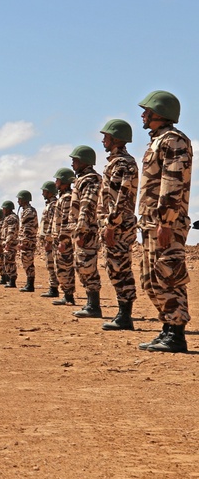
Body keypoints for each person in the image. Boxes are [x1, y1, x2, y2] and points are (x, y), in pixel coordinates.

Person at [136, 90, 192, 352]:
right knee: (151, 280)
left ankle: (176, 334)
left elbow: (173, 183)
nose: (143, 115)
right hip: (151, 223)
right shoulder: (157, 141)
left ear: (160, 113)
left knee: (169, 277)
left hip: (166, 224)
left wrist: (166, 222)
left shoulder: (174, 141)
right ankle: (167, 328)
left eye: (147, 111)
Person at [96, 119, 139, 331]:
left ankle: (125, 316)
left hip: (119, 225)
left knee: (120, 269)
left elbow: (121, 198)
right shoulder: (115, 163)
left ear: (116, 139)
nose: (103, 139)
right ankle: (123, 313)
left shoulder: (123, 164)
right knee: (115, 268)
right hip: (115, 224)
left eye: (106, 136)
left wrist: (111, 226)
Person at [67, 145, 103, 318]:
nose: (72, 163)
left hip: (87, 230)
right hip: (82, 230)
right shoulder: (82, 179)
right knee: (82, 266)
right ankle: (90, 304)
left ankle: (94, 306)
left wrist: (82, 230)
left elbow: (87, 205)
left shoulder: (90, 179)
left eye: (75, 160)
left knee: (87, 267)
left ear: (84, 161)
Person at [52, 167, 78, 306]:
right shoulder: (63, 197)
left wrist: (64, 240)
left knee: (65, 268)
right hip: (60, 239)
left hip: (65, 240)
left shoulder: (67, 198)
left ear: (65, 182)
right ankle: (66, 295)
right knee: (61, 269)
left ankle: (69, 297)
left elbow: (66, 220)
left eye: (58, 180)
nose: (56, 182)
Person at [39, 181, 60, 298]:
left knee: (51, 264)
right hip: (49, 239)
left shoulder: (53, 205)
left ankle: (54, 288)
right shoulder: (50, 204)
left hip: (51, 240)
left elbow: (52, 223)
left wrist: (48, 239)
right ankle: (53, 287)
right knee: (49, 263)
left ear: (50, 192)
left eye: (44, 191)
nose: (43, 194)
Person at [16, 190, 39, 291]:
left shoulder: (29, 211)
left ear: (24, 200)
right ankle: (29, 284)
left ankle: (30, 285)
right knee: (26, 262)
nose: (18, 201)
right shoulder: (26, 211)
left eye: (20, 199)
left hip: (28, 242)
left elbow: (27, 228)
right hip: (27, 241)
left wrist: (23, 242)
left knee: (28, 262)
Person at [0, 200, 19, 288]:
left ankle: (12, 281)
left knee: (10, 262)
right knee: (8, 262)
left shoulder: (11, 218)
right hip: (9, 243)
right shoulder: (9, 217)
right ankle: (10, 280)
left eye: (4, 208)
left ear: (8, 209)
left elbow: (11, 232)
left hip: (10, 243)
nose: (3, 210)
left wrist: (7, 243)